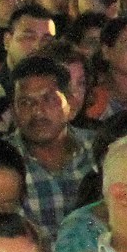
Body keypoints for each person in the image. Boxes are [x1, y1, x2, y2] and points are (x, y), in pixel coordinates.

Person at [8, 57, 96, 237]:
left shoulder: (98, 150)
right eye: (25, 103)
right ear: (13, 110)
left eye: (48, 99)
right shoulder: (2, 160)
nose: (38, 111)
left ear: (69, 102)